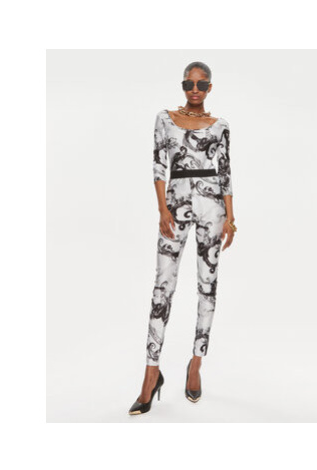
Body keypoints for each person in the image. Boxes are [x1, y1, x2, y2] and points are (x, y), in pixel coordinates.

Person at [128, 61, 237, 415]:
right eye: (189, 83)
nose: (195, 90)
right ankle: (151, 373)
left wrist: (231, 217)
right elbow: (159, 164)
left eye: (201, 85)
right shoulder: (165, 119)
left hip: (213, 207)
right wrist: (162, 209)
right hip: (174, 205)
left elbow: (225, 171)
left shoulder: (220, 126)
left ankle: (196, 363)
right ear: (183, 85)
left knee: (208, 285)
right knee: (163, 286)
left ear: (209, 88)